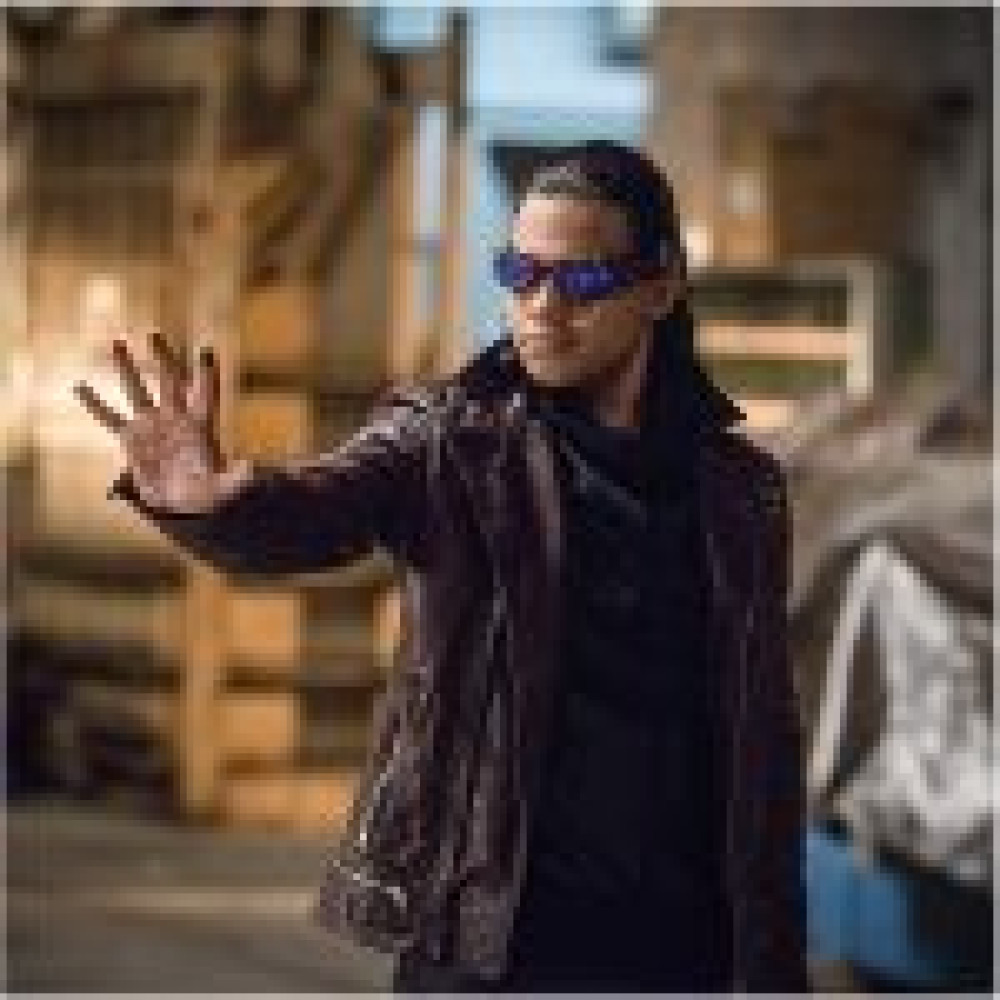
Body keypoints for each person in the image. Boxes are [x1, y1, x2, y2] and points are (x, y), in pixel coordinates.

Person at [75, 140, 809, 993]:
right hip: (492, 938)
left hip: (683, 946)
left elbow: (765, 740)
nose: (540, 306)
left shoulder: (739, 490)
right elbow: (318, 511)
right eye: (520, 273)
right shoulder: (451, 441)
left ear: (661, 286)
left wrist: (773, 960)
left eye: (579, 280)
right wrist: (213, 504)